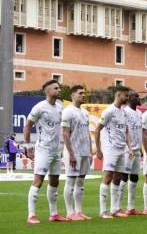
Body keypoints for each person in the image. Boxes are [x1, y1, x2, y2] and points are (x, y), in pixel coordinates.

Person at [25, 80, 69, 224]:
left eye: (59, 88)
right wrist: (28, 147)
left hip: (56, 150)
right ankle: (31, 215)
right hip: (43, 149)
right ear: (48, 92)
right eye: (56, 88)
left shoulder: (60, 107)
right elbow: (27, 126)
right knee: (38, 181)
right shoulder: (39, 108)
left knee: (55, 182)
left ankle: (54, 213)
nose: (59, 90)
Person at [95, 85, 134, 219]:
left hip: (121, 149)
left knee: (117, 177)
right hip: (110, 149)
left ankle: (115, 209)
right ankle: (102, 211)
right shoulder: (108, 111)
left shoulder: (124, 112)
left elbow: (127, 131)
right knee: (108, 177)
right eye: (126, 96)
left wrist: (129, 148)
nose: (127, 98)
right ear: (119, 95)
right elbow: (97, 129)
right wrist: (99, 150)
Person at [61, 85, 93, 221]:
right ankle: (69, 212)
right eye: (80, 93)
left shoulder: (85, 112)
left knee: (80, 182)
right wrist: (71, 154)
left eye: (84, 93)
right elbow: (65, 134)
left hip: (85, 152)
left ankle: (78, 211)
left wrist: (90, 152)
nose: (83, 95)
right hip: (73, 153)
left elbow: (87, 133)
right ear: (73, 95)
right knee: (70, 181)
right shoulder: (68, 111)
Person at [120, 91, 143, 215]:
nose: (138, 98)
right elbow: (124, 130)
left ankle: (131, 207)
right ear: (129, 99)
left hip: (137, 149)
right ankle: (118, 206)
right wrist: (128, 147)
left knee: (135, 177)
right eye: (136, 96)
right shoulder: (125, 112)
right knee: (124, 176)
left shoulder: (139, 113)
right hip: (127, 149)